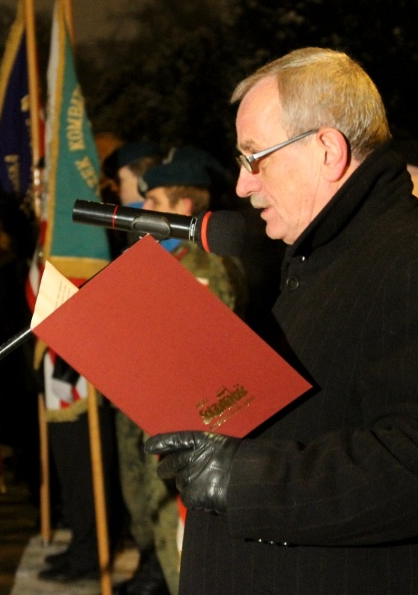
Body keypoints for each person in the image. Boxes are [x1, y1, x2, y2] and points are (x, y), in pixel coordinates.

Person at [144, 47, 418, 595]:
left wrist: (245, 480)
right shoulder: (310, 259)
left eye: (253, 158)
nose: (243, 185)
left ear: (327, 150)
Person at [112, 158, 247, 595]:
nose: (141, 206)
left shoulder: (206, 266)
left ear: (182, 204)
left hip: (190, 423)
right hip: (151, 410)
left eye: (151, 200)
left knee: (181, 538)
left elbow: (214, 352)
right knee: (152, 515)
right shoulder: (153, 258)